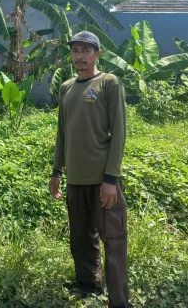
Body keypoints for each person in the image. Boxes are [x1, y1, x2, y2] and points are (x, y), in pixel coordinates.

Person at [49, 31, 130, 308]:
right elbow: (62, 133)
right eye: (75, 50)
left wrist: (111, 179)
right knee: (81, 239)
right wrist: (56, 171)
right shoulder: (67, 87)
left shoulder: (109, 83)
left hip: (102, 181)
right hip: (75, 180)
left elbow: (119, 133)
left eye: (86, 50)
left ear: (97, 54)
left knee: (114, 241)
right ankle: (88, 286)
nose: (80, 56)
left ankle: (119, 301)